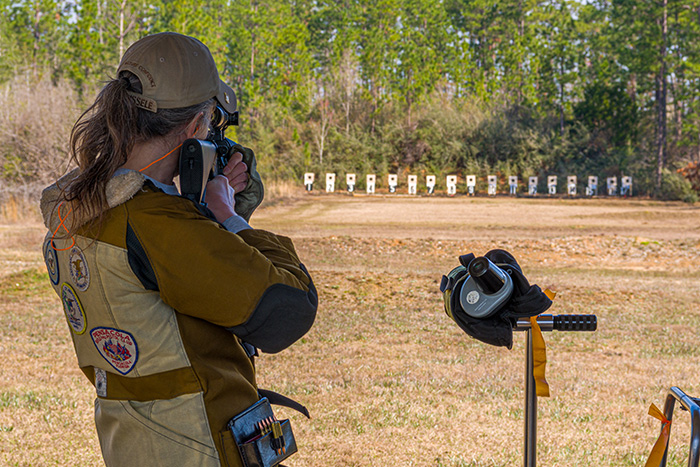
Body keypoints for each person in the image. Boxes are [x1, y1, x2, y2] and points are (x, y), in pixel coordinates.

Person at [39, 32, 317, 467]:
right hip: (197, 445)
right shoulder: (157, 224)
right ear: (195, 127)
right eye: (209, 123)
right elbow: (287, 311)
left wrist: (198, 210)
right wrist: (228, 217)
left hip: (133, 442)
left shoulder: (74, 209)